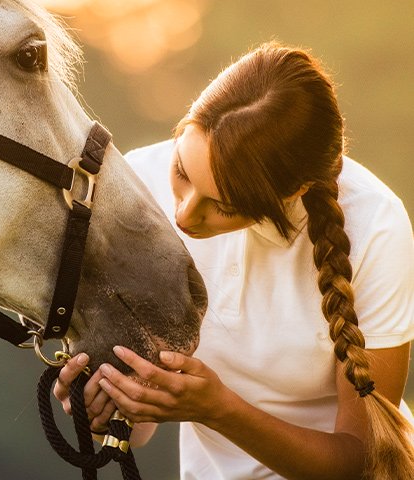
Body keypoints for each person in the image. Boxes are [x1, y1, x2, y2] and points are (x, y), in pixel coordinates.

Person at [54, 42, 414, 479]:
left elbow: (363, 461)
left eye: (223, 206)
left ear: (294, 191)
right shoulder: (137, 188)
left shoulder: (374, 226)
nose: (184, 214)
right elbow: (142, 425)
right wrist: (111, 403)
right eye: (182, 171)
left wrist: (220, 409)